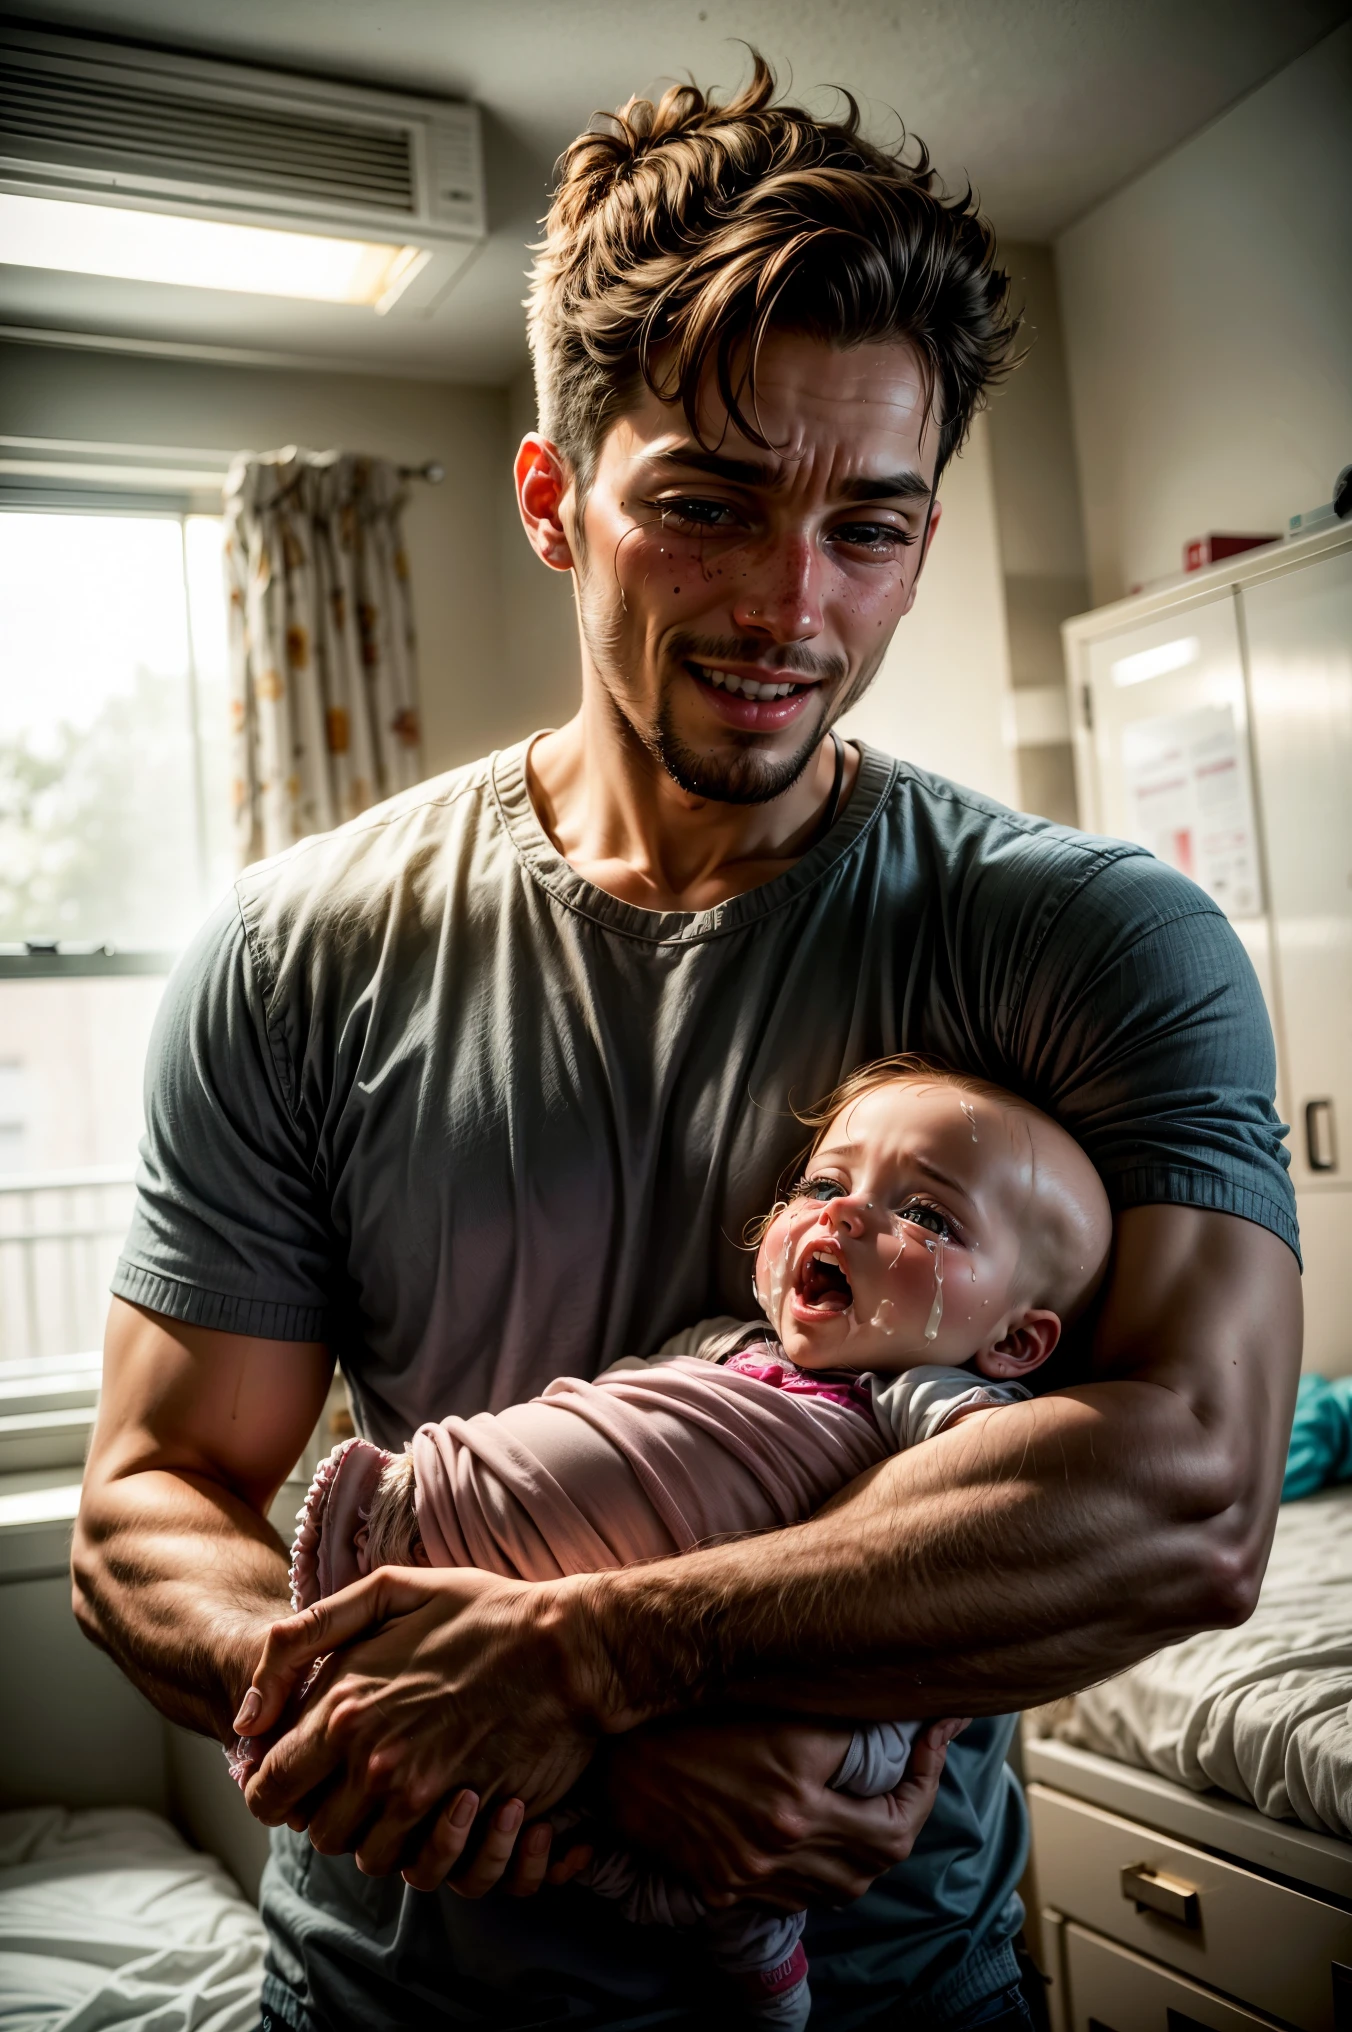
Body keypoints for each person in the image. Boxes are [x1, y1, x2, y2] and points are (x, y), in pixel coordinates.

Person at [74, 56, 1301, 2032]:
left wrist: (588, 1659)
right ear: (557, 504)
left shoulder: (1085, 939)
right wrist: (554, 1747)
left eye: (871, 527)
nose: (790, 606)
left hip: (896, 1995)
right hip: (402, 1998)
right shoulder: (294, 948)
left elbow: (1184, 1485)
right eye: (709, 505)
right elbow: (147, 1508)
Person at [236, 1056, 1112, 2031]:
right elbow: (613, 1408)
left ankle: (762, 1966)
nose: (847, 1215)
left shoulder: (920, 1393)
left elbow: (1005, 1500)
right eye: (823, 1184)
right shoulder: (724, 1344)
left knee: (778, 1805)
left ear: (1017, 1343)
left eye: (930, 1219)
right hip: (463, 1589)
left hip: (741, 1721)